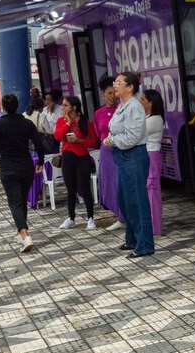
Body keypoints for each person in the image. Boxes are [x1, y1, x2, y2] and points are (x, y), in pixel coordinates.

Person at [0, 94, 45, 252]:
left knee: (15, 202)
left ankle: (25, 235)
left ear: (3, 107)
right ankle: (20, 231)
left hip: (8, 167)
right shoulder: (27, 123)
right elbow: (39, 143)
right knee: (21, 200)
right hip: (26, 167)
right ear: (17, 105)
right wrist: (41, 162)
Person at [104, 71, 154, 257]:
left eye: (118, 82)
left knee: (136, 202)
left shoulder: (134, 106)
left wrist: (112, 141)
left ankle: (144, 245)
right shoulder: (122, 105)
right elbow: (115, 129)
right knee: (125, 200)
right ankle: (131, 239)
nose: (115, 85)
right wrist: (112, 139)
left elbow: (132, 136)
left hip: (132, 156)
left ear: (130, 87)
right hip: (123, 157)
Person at [53, 95, 98, 230]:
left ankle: (90, 217)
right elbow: (56, 136)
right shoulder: (61, 121)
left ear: (74, 107)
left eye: (66, 105)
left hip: (82, 157)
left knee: (85, 188)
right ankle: (71, 217)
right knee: (70, 189)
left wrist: (81, 141)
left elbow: (94, 142)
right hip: (67, 157)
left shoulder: (84, 122)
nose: (63, 108)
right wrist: (67, 123)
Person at [93, 75, 124, 232]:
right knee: (108, 184)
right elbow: (99, 133)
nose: (112, 96)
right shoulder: (98, 113)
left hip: (120, 150)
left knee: (120, 183)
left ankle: (123, 216)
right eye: (109, 93)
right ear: (102, 94)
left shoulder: (122, 109)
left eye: (114, 93)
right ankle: (118, 215)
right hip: (106, 151)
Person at [140, 88, 165, 236]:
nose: (140, 102)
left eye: (143, 100)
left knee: (152, 189)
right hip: (147, 154)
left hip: (152, 154)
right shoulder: (148, 117)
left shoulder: (155, 119)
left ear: (150, 103)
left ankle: (155, 228)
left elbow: (137, 132)